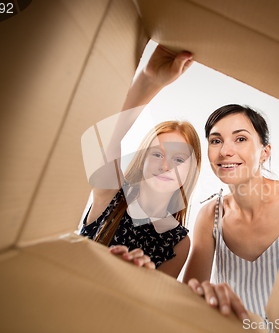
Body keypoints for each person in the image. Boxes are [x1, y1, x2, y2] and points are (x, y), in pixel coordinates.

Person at [182, 104, 279, 321]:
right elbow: (187, 306)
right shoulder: (211, 217)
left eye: (240, 139)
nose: (225, 151)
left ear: (265, 153)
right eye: (216, 140)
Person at [80, 45, 200, 279]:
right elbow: (105, 136)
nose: (166, 165)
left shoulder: (180, 242)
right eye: (157, 154)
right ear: (142, 159)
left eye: (178, 159)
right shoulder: (111, 193)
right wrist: (149, 80)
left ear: (191, 171)